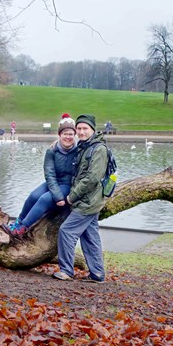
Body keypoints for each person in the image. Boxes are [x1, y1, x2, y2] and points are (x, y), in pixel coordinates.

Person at [54, 114, 108, 283]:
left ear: (92, 129)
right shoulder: (85, 146)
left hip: (88, 202)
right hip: (90, 200)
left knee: (66, 231)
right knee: (90, 237)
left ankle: (66, 271)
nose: (82, 132)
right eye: (79, 128)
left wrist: (71, 197)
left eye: (85, 128)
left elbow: (92, 178)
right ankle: (97, 274)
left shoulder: (98, 149)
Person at [9, 115, 79, 237]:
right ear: (59, 135)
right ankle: (18, 221)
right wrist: (57, 195)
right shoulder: (51, 151)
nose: (68, 137)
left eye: (71, 134)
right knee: (34, 195)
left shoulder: (79, 151)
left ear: (74, 135)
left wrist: (59, 198)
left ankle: (23, 228)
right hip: (53, 182)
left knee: (44, 199)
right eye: (65, 134)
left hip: (68, 185)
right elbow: (49, 174)